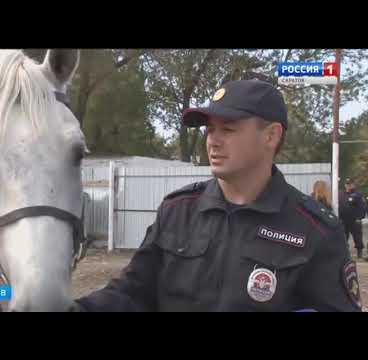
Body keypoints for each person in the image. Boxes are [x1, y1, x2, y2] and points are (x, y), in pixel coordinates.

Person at [74, 79, 362, 312]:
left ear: (271, 136)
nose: (213, 140)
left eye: (228, 128)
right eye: (210, 129)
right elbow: (133, 292)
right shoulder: (177, 211)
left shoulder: (316, 231)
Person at [339, 178, 367, 259]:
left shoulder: (358, 194)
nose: (348, 186)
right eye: (347, 184)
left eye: (350, 184)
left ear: (353, 185)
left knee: (357, 236)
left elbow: (363, 207)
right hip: (343, 219)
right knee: (344, 237)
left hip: (355, 220)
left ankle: (359, 252)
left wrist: (359, 217)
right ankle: (345, 253)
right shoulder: (341, 194)